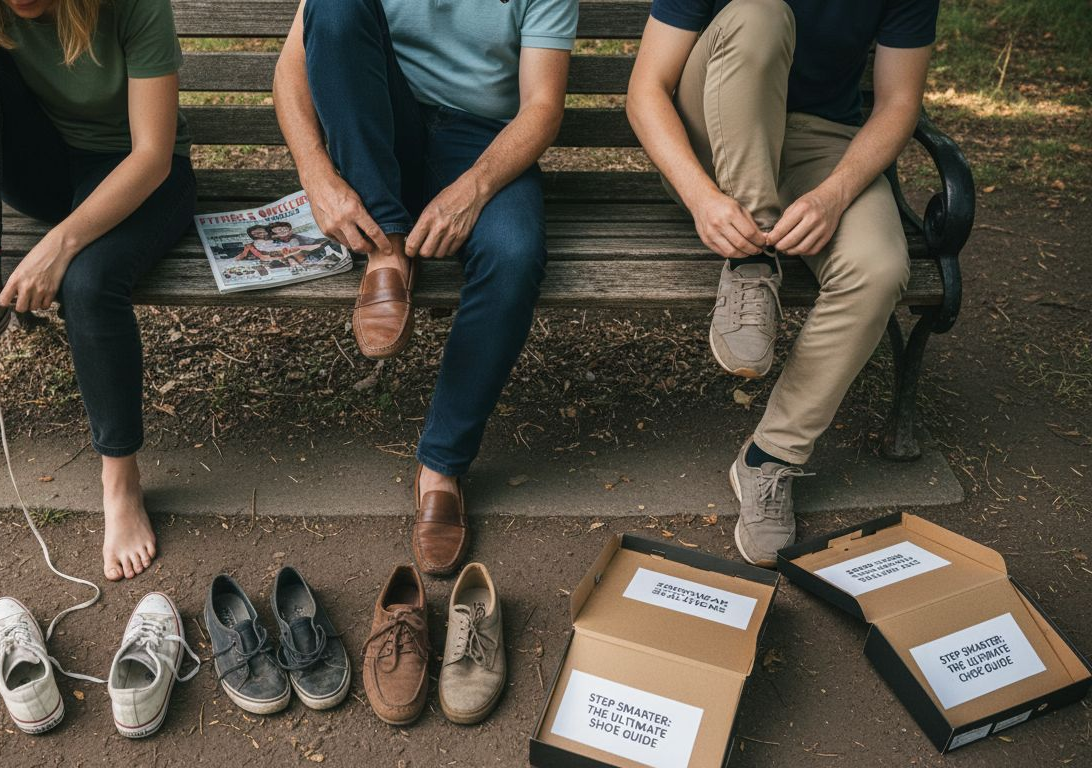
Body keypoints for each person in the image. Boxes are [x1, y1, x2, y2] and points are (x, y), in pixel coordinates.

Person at [0, 0, 196, 581]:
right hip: (42, 168)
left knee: (87, 281)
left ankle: (120, 483)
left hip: (136, 170)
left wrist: (61, 244)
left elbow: (153, 154)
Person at [626, 0, 937, 566]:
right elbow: (647, 89)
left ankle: (770, 458)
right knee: (760, 11)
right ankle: (751, 262)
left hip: (822, 146)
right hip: (715, 137)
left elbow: (898, 102)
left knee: (878, 268)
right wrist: (701, 198)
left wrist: (835, 194)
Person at [273, 0, 578, 576]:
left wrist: (474, 189)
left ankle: (442, 466)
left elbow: (541, 106)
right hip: (378, 129)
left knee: (514, 256)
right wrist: (317, 175)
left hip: (482, 143)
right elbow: (293, 69)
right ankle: (387, 251)